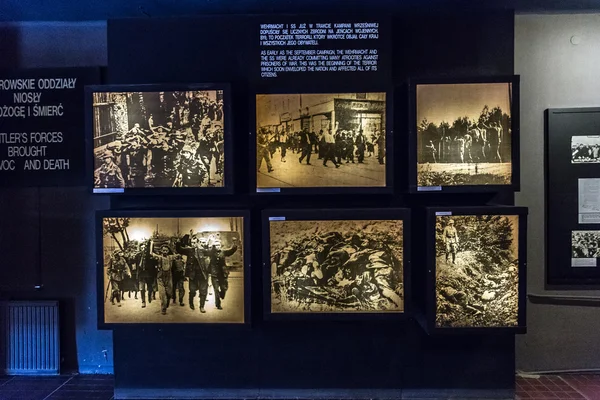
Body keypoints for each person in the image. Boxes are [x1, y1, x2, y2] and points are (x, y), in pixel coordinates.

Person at [177, 234, 210, 313]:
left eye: (195, 242)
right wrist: (178, 242)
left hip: (202, 274)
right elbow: (179, 249)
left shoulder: (203, 250)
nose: (193, 244)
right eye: (192, 243)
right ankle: (191, 301)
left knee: (203, 291)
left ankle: (202, 306)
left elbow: (211, 252)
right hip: (193, 275)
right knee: (192, 290)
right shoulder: (189, 250)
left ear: (198, 243)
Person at [207, 237, 239, 310]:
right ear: (214, 246)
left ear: (220, 245)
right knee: (216, 290)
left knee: (224, 288)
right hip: (214, 274)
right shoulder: (211, 252)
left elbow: (232, 250)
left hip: (222, 274)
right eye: (216, 245)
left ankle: (222, 294)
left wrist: (235, 242)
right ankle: (218, 304)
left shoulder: (223, 252)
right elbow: (210, 250)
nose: (217, 246)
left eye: (218, 245)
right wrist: (212, 243)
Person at [148, 243, 177, 315]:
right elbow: (151, 253)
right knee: (162, 294)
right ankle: (163, 308)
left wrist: (174, 248)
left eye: (166, 250)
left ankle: (166, 303)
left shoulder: (170, 257)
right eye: (163, 250)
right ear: (161, 251)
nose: (165, 252)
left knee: (169, 293)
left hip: (169, 277)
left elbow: (178, 255)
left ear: (168, 251)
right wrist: (151, 244)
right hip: (160, 277)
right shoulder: (159, 257)